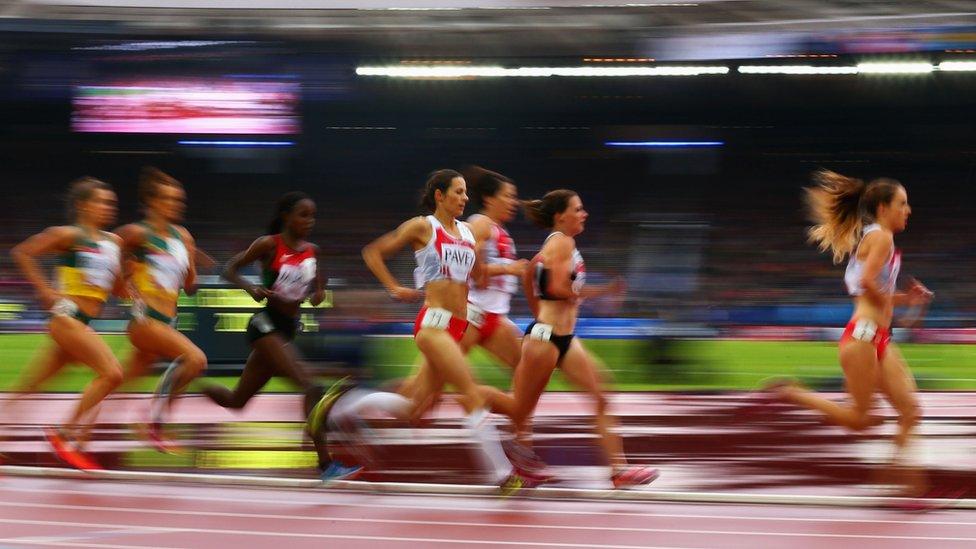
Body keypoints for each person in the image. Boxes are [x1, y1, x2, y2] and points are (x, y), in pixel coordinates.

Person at [769, 170, 933, 497]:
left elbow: (871, 292)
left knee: (910, 412)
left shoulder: (877, 237)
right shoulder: (882, 237)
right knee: (861, 420)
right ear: (884, 208)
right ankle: (793, 393)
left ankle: (905, 486)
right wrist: (897, 298)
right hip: (863, 337)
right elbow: (868, 285)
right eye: (902, 203)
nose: (908, 210)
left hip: (877, 337)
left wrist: (908, 300)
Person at [362, 169, 523, 491]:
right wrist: (394, 286)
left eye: (466, 193)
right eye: (458, 192)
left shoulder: (466, 232)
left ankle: (345, 406)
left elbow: (478, 277)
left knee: (415, 406)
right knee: (471, 390)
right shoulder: (423, 226)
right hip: (434, 323)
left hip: (459, 327)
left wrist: (508, 268)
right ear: (440, 195)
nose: (465, 198)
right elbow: (373, 252)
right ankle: (501, 474)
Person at [511, 189, 658, 489]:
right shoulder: (562, 241)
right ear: (560, 216)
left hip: (564, 338)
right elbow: (554, 287)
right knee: (521, 408)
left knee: (601, 396)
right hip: (545, 338)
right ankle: (480, 409)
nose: (584, 213)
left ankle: (619, 470)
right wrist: (602, 292)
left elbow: (529, 276)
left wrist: (542, 309)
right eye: (578, 209)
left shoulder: (557, 245)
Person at [10, 177, 124, 469]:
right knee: (111, 373)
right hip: (66, 317)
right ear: (82, 206)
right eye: (100, 201)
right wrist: (45, 289)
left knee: (31, 385)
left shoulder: (115, 243)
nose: (107, 207)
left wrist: (139, 293)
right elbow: (22, 253)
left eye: (110, 202)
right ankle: (64, 435)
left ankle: (81, 442)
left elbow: (118, 286)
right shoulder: (67, 235)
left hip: (85, 322)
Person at [116, 167, 206, 450]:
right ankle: (154, 422)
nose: (177, 205)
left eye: (179, 200)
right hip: (145, 321)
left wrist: (192, 269)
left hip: (169, 320)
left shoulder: (184, 237)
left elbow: (190, 285)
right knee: (195, 360)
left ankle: (75, 427)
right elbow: (110, 250)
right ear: (153, 202)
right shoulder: (137, 233)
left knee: (117, 381)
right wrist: (124, 281)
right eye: (170, 199)